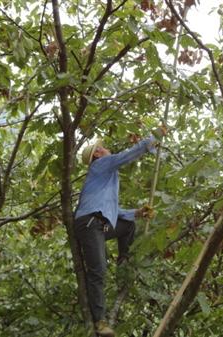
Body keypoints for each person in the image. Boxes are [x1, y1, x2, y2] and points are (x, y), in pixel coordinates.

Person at [74, 128, 165, 337]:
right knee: (98, 271)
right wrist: (153, 139)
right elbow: (127, 156)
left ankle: (124, 262)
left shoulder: (107, 178)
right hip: (89, 223)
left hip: (100, 222)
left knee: (128, 224)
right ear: (97, 154)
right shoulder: (101, 165)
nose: (106, 149)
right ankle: (99, 322)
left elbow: (114, 212)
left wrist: (138, 213)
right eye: (102, 148)